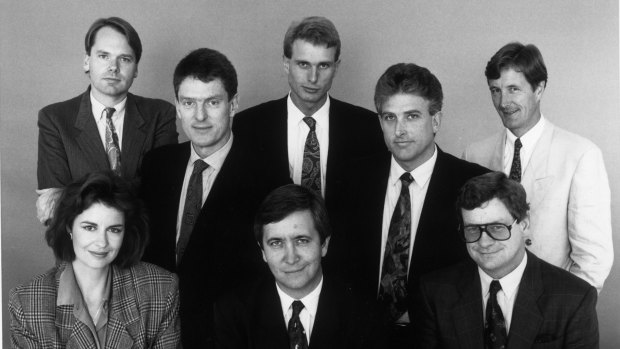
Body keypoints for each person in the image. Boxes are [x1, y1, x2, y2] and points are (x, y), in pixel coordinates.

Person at [333, 63, 488, 346]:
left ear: (436, 121)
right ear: (380, 122)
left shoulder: (472, 182)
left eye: (412, 116)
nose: (400, 130)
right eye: (389, 117)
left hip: (439, 338)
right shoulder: (351, 178)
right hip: (359, 337)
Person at [141, 48, 284, 348]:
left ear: (233, 105)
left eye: (213, 102)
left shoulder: (268, 175)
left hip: (228, 337)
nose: (200, 116)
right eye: (189, 103)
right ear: (177, 108)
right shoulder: (156, 165)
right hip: (155, 334)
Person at [463, 42, 612, 291]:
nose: (503, 102)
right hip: (489, 308)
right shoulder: (474, 154)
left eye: (513, 89)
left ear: (539, 89)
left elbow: (593, 259)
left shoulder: (580, 155)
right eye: (495, 90)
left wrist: (564, 314)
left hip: (551, 310)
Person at [413, 172, 598, 348]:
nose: (483, 242)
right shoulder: (435, 293)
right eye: (472, 229)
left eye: (497, 227)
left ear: (524, 226)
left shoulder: (575, 298)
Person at [232, 16, 385, 215]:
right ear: (286, 64)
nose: (313, 78)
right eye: (303, 64)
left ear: (336, 68)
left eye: (323, 65)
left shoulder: (368, 127)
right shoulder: (247, 126)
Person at [9, 172, 180, 348]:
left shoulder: (160, 290)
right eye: (90, 227)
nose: (102, 242)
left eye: (114, 230)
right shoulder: (27, 303)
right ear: (69, 227)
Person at [37, 17, 178, 224]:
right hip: (80, 251)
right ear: (87, 61)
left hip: (143, 249)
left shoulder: (160, 114)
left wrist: (81, 194)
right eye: (104, 56)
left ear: (136, 68)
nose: (113, 67)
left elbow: (163, 196)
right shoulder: (55, 119)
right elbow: (55, 209)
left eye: (125, 59)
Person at [214, 184, 383, 349]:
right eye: (276, 243)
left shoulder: (364, 315)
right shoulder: (234, 313)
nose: (291, 258)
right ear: (263, 252)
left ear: (324, 245)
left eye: (301, 241)